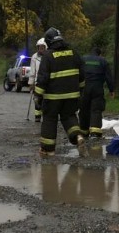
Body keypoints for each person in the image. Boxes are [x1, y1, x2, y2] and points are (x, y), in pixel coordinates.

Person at [33, 27, 85, 156]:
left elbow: (42, 78)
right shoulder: (74, 53)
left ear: (49, 42)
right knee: (69, 117)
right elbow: (82, 74)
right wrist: (81, 91)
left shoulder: (48, 56)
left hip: (53, 97)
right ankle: (78, 136)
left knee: (50, 120)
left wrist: (38, 96)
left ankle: (48, 150)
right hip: (72, 95)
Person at [79, 46, 114, 138]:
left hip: (84, 87)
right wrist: (111, 90)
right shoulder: (102, 61)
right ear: (100, 54)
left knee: (84, 109)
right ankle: (95, 131)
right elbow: (108, 77)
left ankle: (83, 131)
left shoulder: (83, 59)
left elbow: (78, 73)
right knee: (96, 108)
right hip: (97, 87)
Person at [28, 38, 47, 123]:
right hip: (37, 82)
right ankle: (37, 116)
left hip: (47, 82)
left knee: (47, 100)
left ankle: (47, 116)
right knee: (37, 100)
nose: (41, 49)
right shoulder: (34, 57)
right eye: (39, 47)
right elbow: (32, 71)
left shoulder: (49, 56)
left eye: (42, 47)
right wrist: (31, 83)